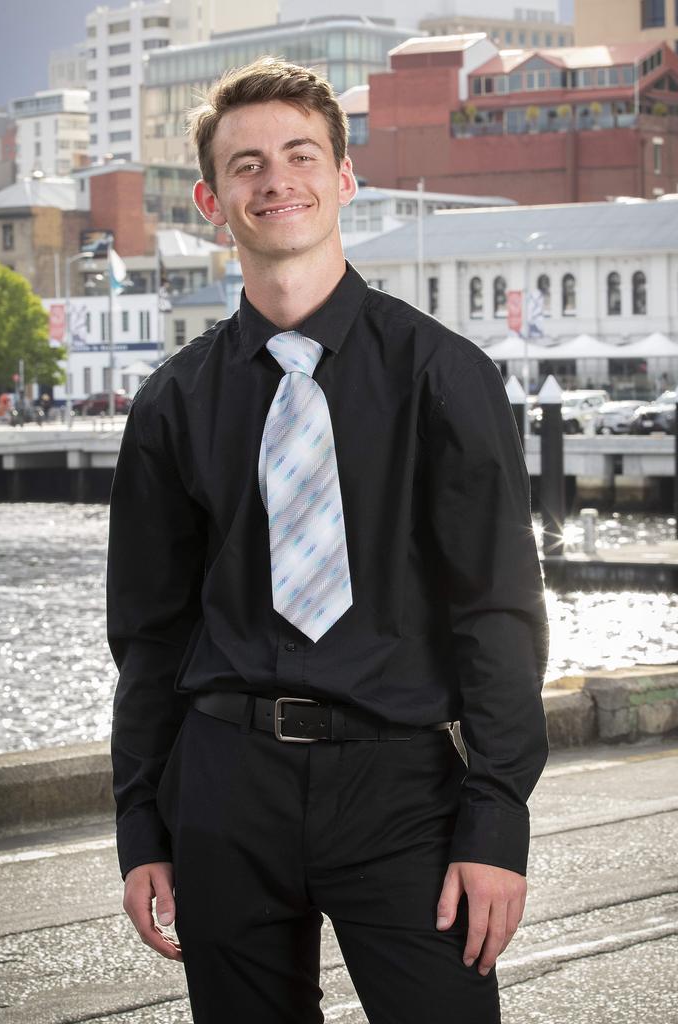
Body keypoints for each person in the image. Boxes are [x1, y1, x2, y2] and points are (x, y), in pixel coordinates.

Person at [107, 57, 549, 1024]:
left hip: (400, 789)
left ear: (344, 178)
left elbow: (498, 613)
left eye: (302, 154)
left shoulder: (444, 376)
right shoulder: (172, 404)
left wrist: (498, 819)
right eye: (248, 164)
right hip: (222, 789)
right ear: (212, 199)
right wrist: (141, 825)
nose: (277, 180)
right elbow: (148, 636)